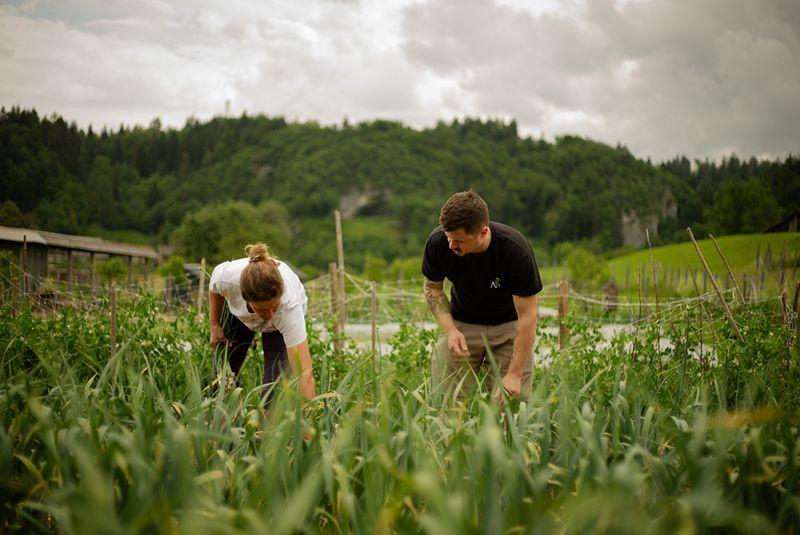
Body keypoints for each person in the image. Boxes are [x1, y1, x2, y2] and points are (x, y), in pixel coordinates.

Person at [422, 190, 542, 400]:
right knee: (444, 402)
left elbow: (528, 316)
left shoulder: (515, 250)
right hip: (462, 323)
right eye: (449, 238)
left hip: (509, 327)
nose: (451, 246)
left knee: (511, 406)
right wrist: (450, 330)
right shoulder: (439, 242)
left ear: (483, 232)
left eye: (458, 241)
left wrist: (514, 374)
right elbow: (433, 288)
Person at [208, 242, 315, 403]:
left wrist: (310, 423)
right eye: (262, 309)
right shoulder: (228, 280)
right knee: (223, 376)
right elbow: (213, 289)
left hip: (279, 327)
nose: (269, 314)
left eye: (273, 307)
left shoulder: (289, 308)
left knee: (274, 386)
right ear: (246, 299)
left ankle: (264, 426)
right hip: (240, 317)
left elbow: (304, 374)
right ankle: (220, 423)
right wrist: (214, 325)